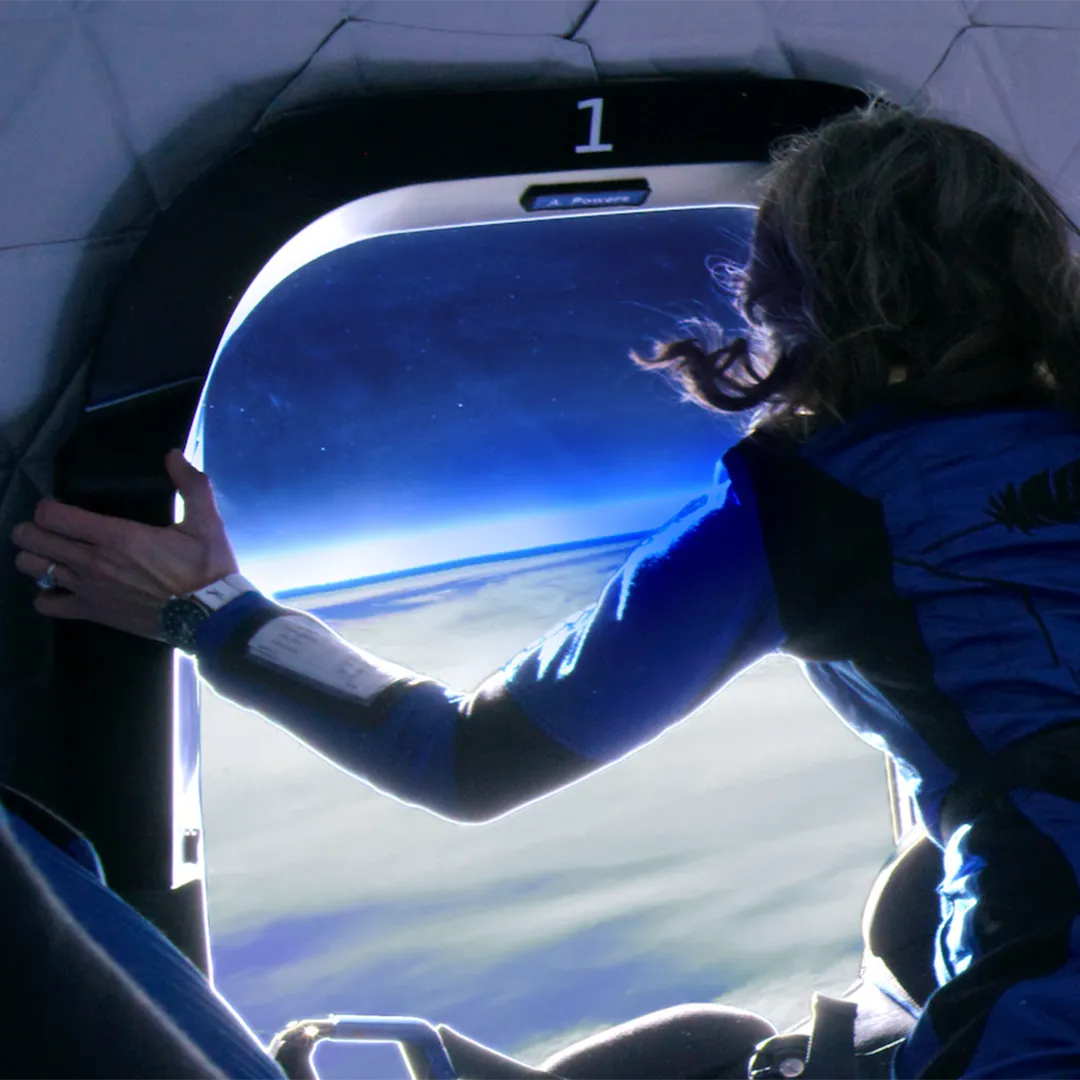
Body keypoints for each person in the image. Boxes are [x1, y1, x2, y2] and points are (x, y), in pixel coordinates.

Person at [12, 94, 1080, 1079]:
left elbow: (465, 758)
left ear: (795, 301)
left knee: (705, 1049)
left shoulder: (815, 506)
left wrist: (206, 613)